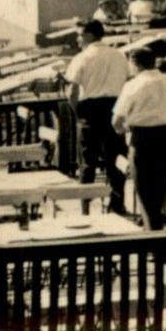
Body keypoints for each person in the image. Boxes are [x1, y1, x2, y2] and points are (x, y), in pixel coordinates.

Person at [111, 46, 166, 230]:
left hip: (142, 138)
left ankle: (155, 243)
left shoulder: (133, 85)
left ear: (134, 63)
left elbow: (116, 121)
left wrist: (125, 129)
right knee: (160, 190)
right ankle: (155, 235)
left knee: (144, 192)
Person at [64, 20, 129, 215]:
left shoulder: (82, 57)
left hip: (90, 109)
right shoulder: (119, 55)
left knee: (87, 161)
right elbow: (127, 83)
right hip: (114, 108)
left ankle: (85, 209)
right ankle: (117, 204)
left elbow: (71, 91)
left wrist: (78, 113)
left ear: (90, 36)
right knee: (116, 159)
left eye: (80, 35)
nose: (77, 39)